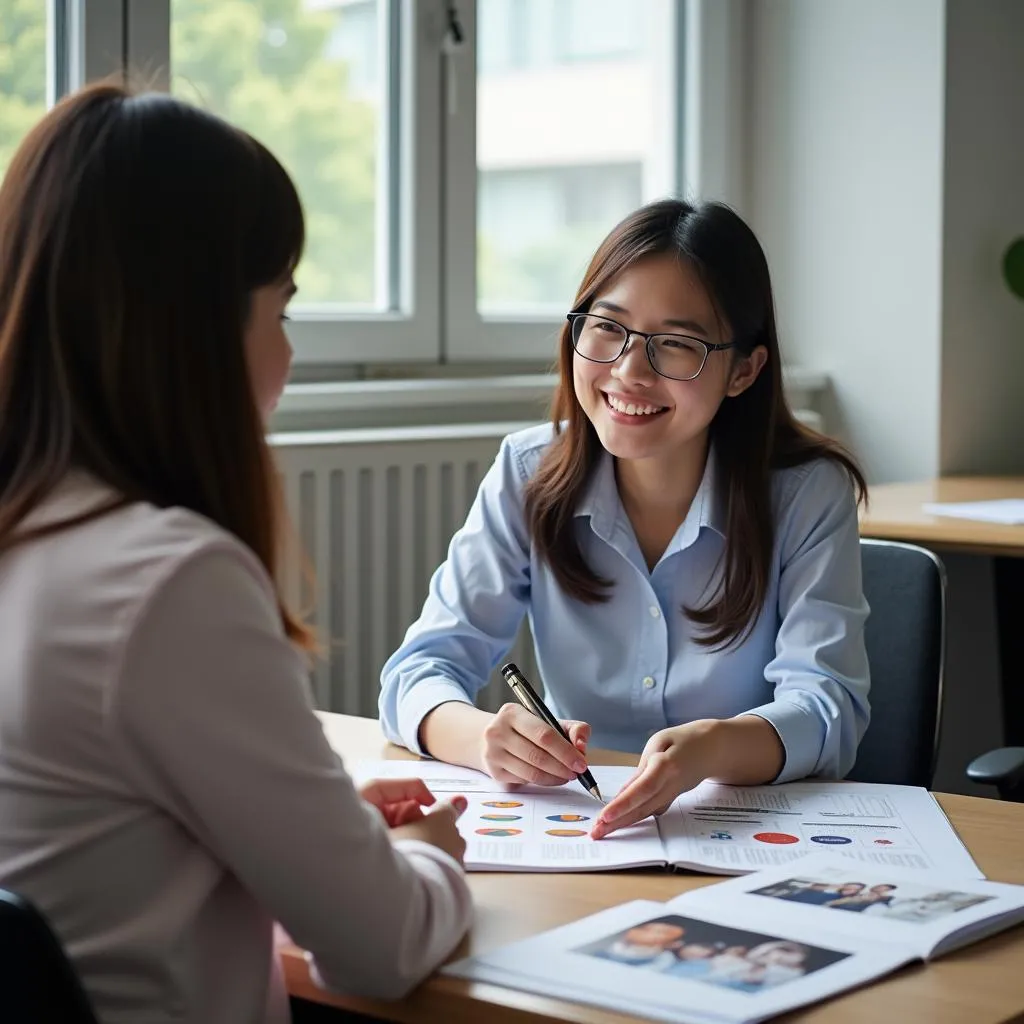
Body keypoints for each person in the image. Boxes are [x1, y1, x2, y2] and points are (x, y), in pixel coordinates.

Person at [0, 83, 472, 1024]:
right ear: (201, 326)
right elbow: (376, 946)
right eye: (282, 310)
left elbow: (96, 806)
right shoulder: (167, 580)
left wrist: (319, 805)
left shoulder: (34, 540)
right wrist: (430, 859)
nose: (288, 355)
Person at [379, 197, 870, 838]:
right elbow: (419, 671)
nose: (630, 371)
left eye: (677, 345)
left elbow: (828, 707)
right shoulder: (528, 472)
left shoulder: (807, 493)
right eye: (607, 328)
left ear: (744, 370)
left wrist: (714, 749)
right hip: (575, 827)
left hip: (738, 831)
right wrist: (485, 739)